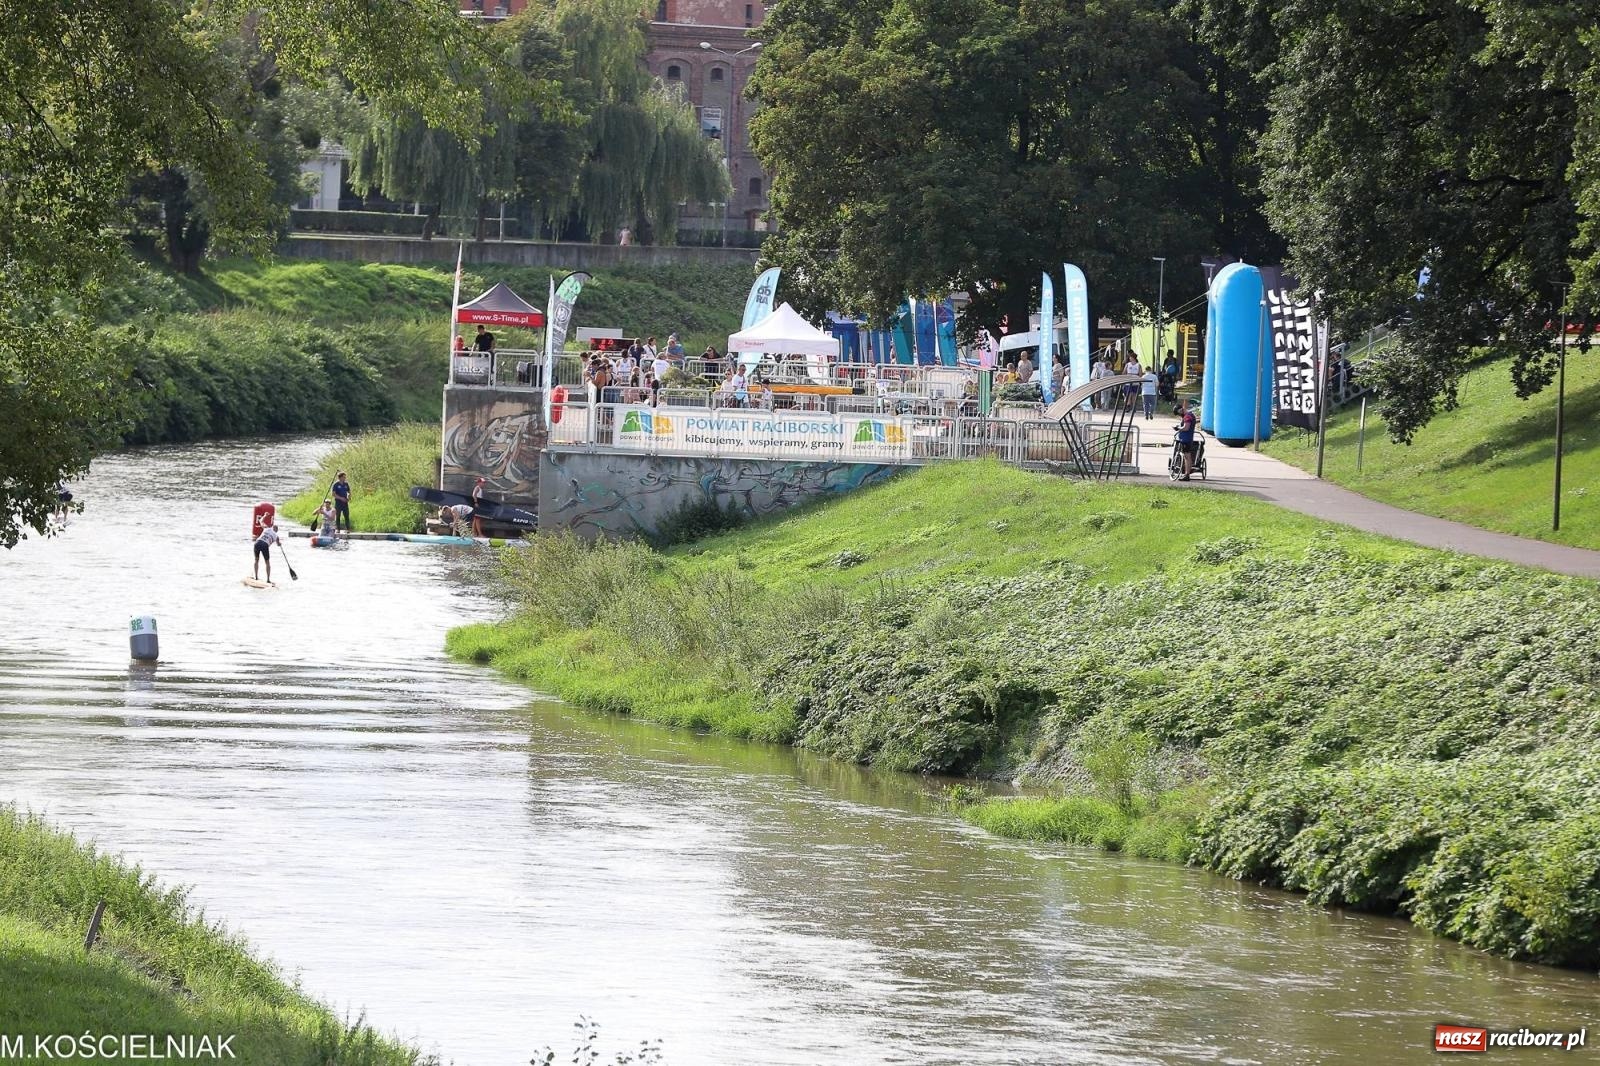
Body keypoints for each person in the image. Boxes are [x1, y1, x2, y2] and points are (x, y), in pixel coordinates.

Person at [1176, 398, 1199, 480]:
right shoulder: (1189, 415)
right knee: (1186, 456)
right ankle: (1186, 473)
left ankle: (1187, 474)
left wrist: (1178, 428)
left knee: (1187, 456)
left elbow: (1186, 428)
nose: (1179, 415)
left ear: (1181, 410)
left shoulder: (1187, 417)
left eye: (1179, 413)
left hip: (1186, 439)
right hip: (1186, 439)